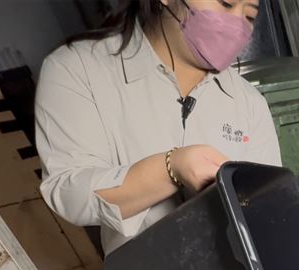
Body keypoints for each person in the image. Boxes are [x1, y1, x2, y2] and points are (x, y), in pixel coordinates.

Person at [36, 0, 281, 255]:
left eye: (250, 16)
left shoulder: (250, 102)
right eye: (227, 3)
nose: (237, 24)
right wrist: (171, 168)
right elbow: (68, 193)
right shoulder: (77, 68)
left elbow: (269, 206)